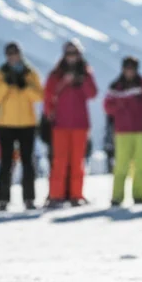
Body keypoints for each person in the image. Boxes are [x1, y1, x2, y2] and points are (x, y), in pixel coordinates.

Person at [43, 40, 98, 207]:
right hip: (60, 124)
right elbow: (48, 95)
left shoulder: (86, 73)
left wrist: (81, 81)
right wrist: (49, 114)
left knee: (77, 161)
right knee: (59, 160)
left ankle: (76, 194)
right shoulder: (56, 74)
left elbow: (92, 93)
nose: (72, 57)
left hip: (80, 124)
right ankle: (55, 195)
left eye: (74, 53)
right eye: (69, 53)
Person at [0, 42, 43, 209]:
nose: (13, 57)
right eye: (9, 54)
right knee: (6, 162)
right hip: (6, 123)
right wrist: (7, 83)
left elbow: (39, 96)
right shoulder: (1, 73)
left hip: (27, 123)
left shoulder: (30, 72)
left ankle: (29, 198)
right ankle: (3, 199)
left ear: (20, 54)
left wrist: (24, 85)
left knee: (28, 162)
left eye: (15, 53)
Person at [104, 57, 142, 206]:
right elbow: (108, 107)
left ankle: (138, 195)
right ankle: (117, 196)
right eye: (127, 68)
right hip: (123, 131)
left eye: (132, 68)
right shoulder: (116, 86)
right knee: (121, 165)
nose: (129, 71)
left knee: (141, 164)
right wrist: (122, 106)